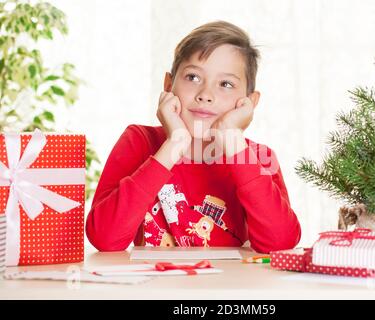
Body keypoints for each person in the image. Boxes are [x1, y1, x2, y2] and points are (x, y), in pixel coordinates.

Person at [86, 20, 301, 253]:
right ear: (169, 85)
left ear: (250, 102)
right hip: (155, 288)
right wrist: (174, 143)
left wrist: (234, 141)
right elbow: (104, 238)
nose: (206, 95)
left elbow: (280, 242)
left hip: (230, 288)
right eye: (193, 78)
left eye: (226, 84)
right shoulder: (139, 141)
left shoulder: (257, 157)